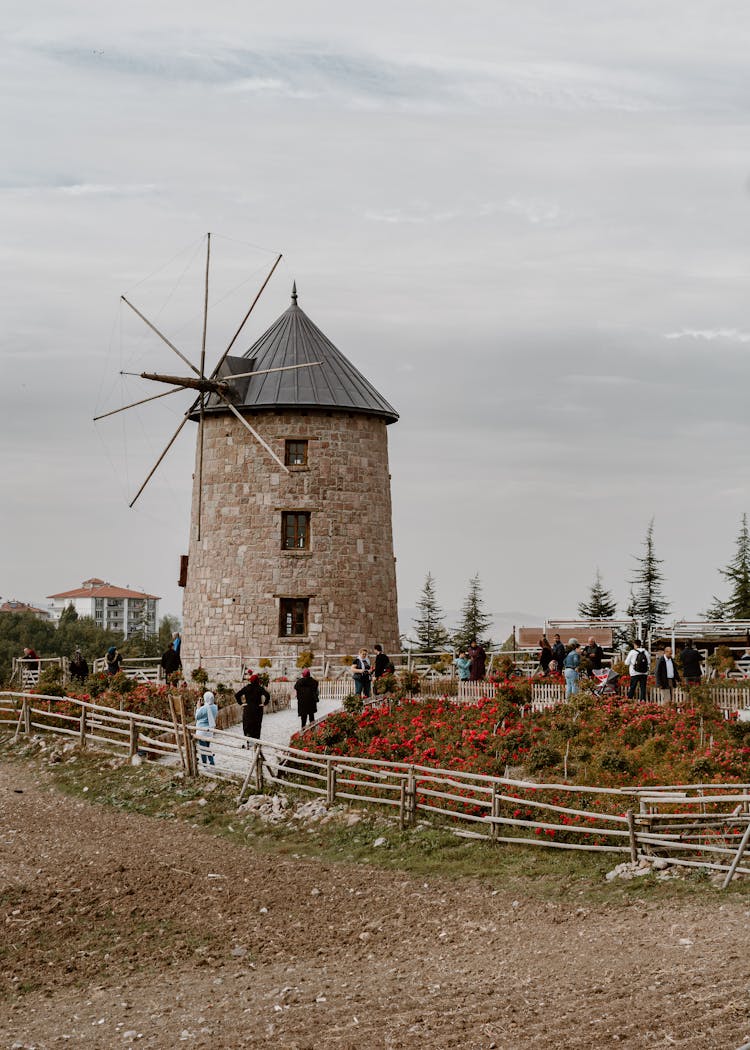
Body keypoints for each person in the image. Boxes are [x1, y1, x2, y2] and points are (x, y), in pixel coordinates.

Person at [235, 672, 270, 743]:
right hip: (257, 709)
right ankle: (256, 740)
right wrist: (264, 703)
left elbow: (237, 695)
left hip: (248, 709)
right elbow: (267, 695)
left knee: (248, 724)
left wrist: (241, 703)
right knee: (257, 725)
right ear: (258, 681)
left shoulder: (247, 688)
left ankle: (248, 740)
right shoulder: (260, 688)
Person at [195, 690, 217, 766]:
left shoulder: (204, 708)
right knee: (207, 747)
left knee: (203, 748)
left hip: (202, 731)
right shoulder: (215, 707)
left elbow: (197, 716)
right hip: (210, 731)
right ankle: (211, 762)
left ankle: (205, 763)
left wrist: (198, 707)